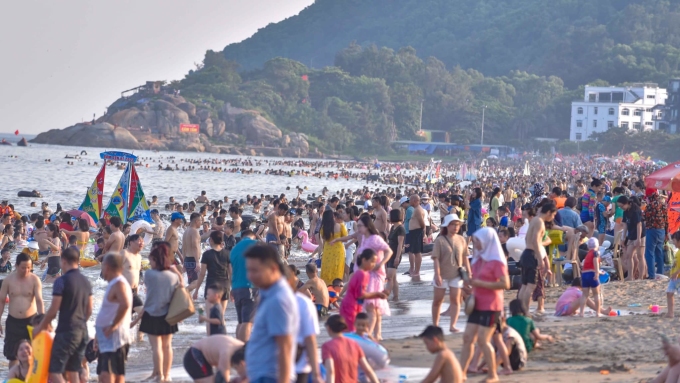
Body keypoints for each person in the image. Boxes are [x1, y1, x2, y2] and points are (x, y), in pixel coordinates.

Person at [34, 247, 93, 383]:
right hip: (82, 332)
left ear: (63, 261)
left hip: (66, 331)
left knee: (55, 372)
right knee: (73, 371)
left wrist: (40, 328)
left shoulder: (61, 281)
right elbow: (89, 309)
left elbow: (53, 310)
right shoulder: (85, 281)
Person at [460, 227, 510, 383]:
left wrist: (480, 283)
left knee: (483, 340)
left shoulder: (497, 261)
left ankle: (492, 375)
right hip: (477, 303)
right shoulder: (478, 259)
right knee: (467, 337)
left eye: (478, 241)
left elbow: (505, 284)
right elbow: (474, 280)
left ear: (487, 242)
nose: (476, 245)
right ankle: (461, 373)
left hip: (492, 305)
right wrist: (468, 284)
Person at [244, 244, 299, 383]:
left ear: (273, 268)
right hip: (261, 374)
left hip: (271, 377)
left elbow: (285, 348)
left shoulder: (279, 300)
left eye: (255, 270)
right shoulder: (267, 291)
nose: (250, 276)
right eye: (248, 270)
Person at [132, 242, 181, 382]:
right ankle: (167, 375)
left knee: (156, 348)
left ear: (156, 260)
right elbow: (177, 292)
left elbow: (149, 294)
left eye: (151, 260)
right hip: (168, 314)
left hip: (152, 314)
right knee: (167, 346)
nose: (149, 263)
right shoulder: (173, 277)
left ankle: (159, 375)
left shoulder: (149, 275)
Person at [351, 215, 393, 340]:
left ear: (367, 226)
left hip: (374, 275)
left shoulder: (375, 238)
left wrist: (380, 264)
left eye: (360, 226)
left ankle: (368, 334)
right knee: (375, 306)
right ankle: (377, 334)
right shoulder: (364, 237)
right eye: (357, 226)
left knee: (371, 305)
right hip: (365, 274)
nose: (358, 228)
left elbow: (389, 251)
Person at [0, 252, 43, 367]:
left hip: (31, 321)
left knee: (32, 354)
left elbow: (39, 300)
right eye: (23, 268)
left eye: (29, 268)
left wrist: (42, 319)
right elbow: (2, 301)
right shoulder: (8, 280)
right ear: (16, 266)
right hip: (13, 321)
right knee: (12, 355)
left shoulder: (35, 280)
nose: (26, 270)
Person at [96, 252, 132, 383]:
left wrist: (113, 325)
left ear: (106, 267)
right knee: (113, 373)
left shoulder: (118, 283)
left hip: (114, 338)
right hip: (109, 338)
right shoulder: (116, 282)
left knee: (108, 374)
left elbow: (125, 304)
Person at [432, 214, 470, 333]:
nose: (455, 227)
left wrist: (469, 273)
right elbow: (436, 258)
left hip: (456, 274)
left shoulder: (461, 239)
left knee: (455, 299)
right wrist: (437, 274)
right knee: (438, 300)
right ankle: (435, 325)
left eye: (457, 225)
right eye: (453, 224)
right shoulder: (440, 240)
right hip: (442, 274)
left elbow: (465, 258)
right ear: (447, 226)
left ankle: (452, 325)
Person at [286, 261, 323, 383]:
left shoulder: (302, 301)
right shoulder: (272, 300)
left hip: (299, 364)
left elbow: (310, 340)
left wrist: (316, 373)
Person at [518, 203, 556, 313]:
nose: (553, 217)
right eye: (553, 215)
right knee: (531, 286)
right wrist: (540, 259)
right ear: (548, 212)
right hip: (532, 254)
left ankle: (520, 310)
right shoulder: (540, 222)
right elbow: (536, 241)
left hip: (526, 253)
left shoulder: (534, 220)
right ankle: (525, 310)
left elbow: (527, 239)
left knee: (525, 285)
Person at [340, 249, 388, 332]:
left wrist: (378, 294)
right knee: (351, 331)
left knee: (351, 331)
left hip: (352, 305)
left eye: (375, 262)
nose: (374, 265)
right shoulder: (362, 274)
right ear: (364, 260)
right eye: (372, 261)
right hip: (350, 306)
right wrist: (378, 294)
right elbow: (361, 295)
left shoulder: (359, 273)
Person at [322, 314, 379, 383]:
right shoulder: (354, 344)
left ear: (328, 328)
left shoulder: (327, 346)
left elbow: (331, 371)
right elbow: (368, 369)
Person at [192, 230, 231, 318]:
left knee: (210, 316)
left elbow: (202, 274)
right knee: (221, 316)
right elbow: (231, 272)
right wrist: (233, 288)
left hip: (211, 285)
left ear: (211, 240)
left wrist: (196, 290)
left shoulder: (207, 254)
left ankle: (211, 331)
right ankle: (222, 331)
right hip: (225, 285)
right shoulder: (227, 253)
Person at [230, 230, 257, 342]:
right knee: (248, 321)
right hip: (249, 286)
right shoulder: (254, 244)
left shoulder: (234, 249)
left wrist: (232, 288)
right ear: (253, 236)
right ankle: (244, 350)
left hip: (236, 288)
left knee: (241, 321)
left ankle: (238, 347)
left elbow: (231, 271)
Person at [311, 210, 347, 285]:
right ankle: (337, 286)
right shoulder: (340, 225)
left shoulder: (323, 228)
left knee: (327, 268)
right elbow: (345, 238)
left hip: (327, 250)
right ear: (333, 217)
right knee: (337, 267)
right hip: (338, 250)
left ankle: (326, 286)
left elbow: (324, 241)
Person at [619, 196, 645, 281]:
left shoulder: (635, 210)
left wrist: (638, 239)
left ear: (627, 203)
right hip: (631, 234)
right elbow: (625, 225)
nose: (621, 208)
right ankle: (630, 276)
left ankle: (641, 277)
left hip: (640, 234)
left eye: (622, 206)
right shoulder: (626, 211)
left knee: (640, 256)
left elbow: (639, 225)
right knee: (629, 255)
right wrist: (623, 237)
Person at [644, 188, 668, 279]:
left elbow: (644, 218)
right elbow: (666, 220)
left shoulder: (650, 206)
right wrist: (666, 233)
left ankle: (652, 275)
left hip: (652, 230)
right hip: (661, 231)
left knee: (649, 253)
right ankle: (660, 274)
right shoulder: (663, 204)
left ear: (650, 196)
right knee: (659, 253)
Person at [579, 237, 602, 317]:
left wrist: (598, 271)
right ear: (597, 245)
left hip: (584, 274)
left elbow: (585, 265)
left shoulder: (587, 254)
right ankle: (598, 312)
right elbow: (595, 261)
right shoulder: (596, 252)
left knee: (584, 295)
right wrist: (597, 273)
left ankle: (581, 312)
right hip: (592, 274)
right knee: (596, 294)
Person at [386, 208, 405, 300]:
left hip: (395, 255)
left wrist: (397, 257)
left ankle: (384, 297)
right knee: (393, 278)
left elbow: (400, 244)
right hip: (390, 254)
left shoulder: (400, 229)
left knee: (389, 277)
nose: (389, 217)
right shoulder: (393, 227)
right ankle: (395, 297)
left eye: (390, 215)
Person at [408, 194, 426, 276]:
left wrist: (422, 233)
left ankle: (417, 271)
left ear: (415, 201)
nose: (409, 201)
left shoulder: (418, 210)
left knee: (417, 252)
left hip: (417, 232)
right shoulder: (416, 209)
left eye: (411, 200)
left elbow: (422, 223)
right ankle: (415, 270)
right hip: (414, 232)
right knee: (415, 251)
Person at [183, 212, 203, 289]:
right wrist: (197, 262)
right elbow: (195, 246)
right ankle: (180, 295)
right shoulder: (194, 231)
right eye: (201, 221)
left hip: (187, 260)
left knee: (192, 283)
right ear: (196, 221)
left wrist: (184, 262)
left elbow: (184, 248)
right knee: (196, 282)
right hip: (193, 260)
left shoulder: (186, 232)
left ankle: (186, 300)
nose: (201, 223)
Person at [666, 231, 680, 318]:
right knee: (669, 293)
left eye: (674, 240)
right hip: (674, 278)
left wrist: (677, 273)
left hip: (678, 278)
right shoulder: (678, 252)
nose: (673, 242)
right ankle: (670, 313)